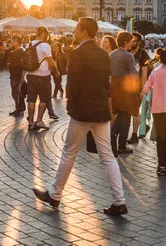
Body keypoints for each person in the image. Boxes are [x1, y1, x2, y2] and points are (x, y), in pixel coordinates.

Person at [32, 18, 127, 216]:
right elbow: (106, 81)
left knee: (69, 151)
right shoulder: (103, 53)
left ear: (84, 31)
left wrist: (70, 106)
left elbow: (72, 85)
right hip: (100, 109)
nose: (74, 32)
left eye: (76, 29)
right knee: (108, 155)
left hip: (83, 111)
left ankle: (55, 195)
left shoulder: (77, 53)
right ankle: (119, 201)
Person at [140, 47, 166, 176]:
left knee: (160, 136)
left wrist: (140, 96)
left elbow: (147, 86)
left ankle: (162, 164)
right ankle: (163, 165)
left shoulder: (155, 71)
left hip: (156, 108)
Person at [109, 32, 140, 155]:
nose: (132, 42)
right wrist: (137, 69)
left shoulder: (113, 54)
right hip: (125, 86)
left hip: (115, 85)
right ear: (125, 42)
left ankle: (121, 144)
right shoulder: (128, 56)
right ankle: (114, 134)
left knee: (123, 113)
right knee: (125, 113)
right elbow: (133, 74)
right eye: (131, 40)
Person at [25, 27, 56, 131]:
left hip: (31, 75)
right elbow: (51, 62)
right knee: (44, 99)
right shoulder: (45, 45)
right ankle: (39, 121)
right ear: (44, 34)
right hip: (43, 76)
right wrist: (56, 71)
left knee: (31, 99)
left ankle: (30, 122)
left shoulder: (29, 44)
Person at [8, 36, 27, 117]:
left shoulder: (22, 51)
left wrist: (23, 77)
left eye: (14, 41)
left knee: (18, 93)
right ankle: (18, 108)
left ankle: (20, 109)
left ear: (18, 42)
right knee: (14, 93)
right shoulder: (12, 52)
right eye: (12, 40)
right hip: (13, 75)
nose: (12, 42)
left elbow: (24, 65)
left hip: (18, 75)